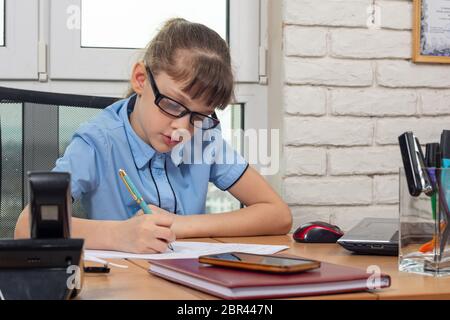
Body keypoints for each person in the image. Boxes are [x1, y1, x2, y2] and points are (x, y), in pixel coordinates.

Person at [14, 18, 292, 253]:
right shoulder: (98, 141)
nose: (182, 129)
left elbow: (277, 214)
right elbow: (28, 226)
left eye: (198, 116)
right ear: (141, 79)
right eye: (172, 105)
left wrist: (180, 224)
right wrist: (118, 235)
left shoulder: (203, 138)